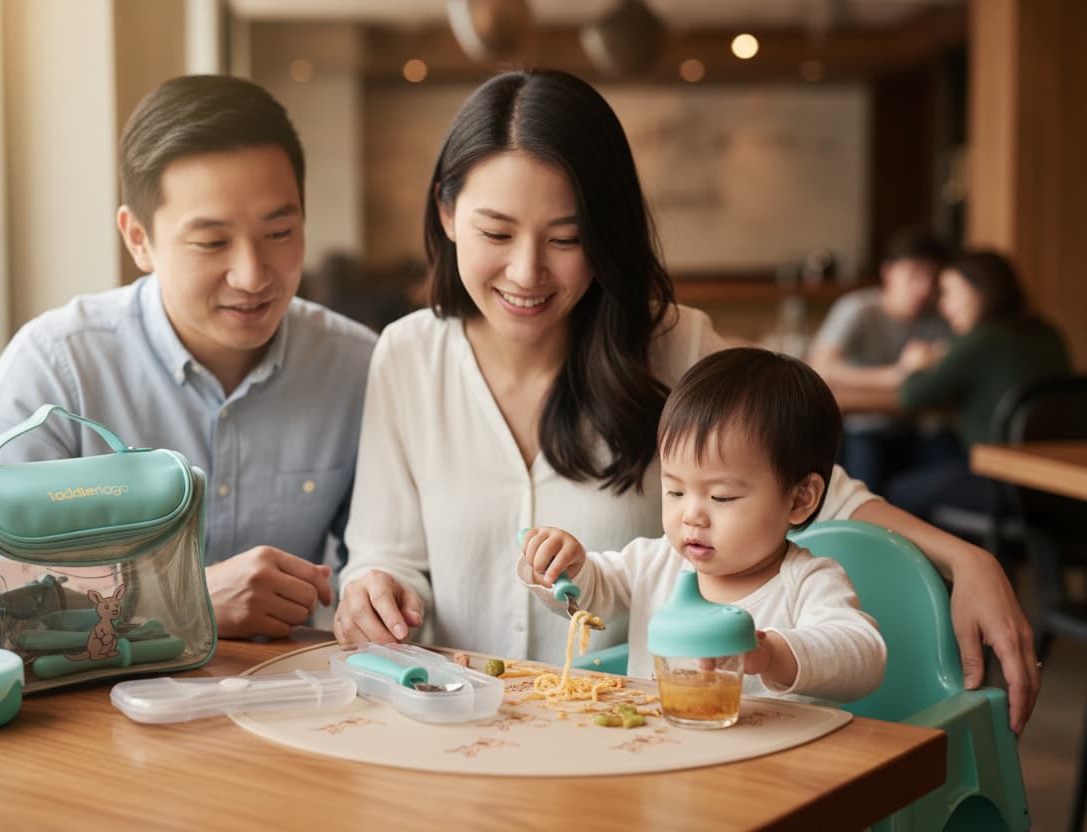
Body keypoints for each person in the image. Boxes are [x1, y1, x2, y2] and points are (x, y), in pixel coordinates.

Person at [333, 68, 1039, 733]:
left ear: (606, 235)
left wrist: (967, 559)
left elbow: (815, 488)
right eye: (495, 233)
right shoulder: (407, 355)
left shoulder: (672, 346)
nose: (526, 272)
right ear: (448, 213)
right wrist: (372, 590)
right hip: (462, 730)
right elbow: (385, 557)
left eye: (567, 239)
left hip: (632, 739)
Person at [0, 75, 377, 640]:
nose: (252, 275)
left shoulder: (357, 367)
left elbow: (381, 555)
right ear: (138, 238)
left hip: (288, 698)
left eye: (279, 231)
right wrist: (182, 597)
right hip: (91, 708)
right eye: (211, 242)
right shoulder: (58, 368)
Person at [518, 348, 887, 703]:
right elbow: (592, 591)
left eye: (722, 497)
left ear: (799, 498)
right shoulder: (655, 563)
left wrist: (772, 654)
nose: (691, 515)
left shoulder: (809, 582)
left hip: (773, 764)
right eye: (675, 491)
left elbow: (864, 656)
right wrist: (564, 566)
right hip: (658, 752)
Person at [884, 250, 1071, 519]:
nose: (943, 306)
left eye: (949, 293)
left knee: (895, 491)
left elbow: (911, 397)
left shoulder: (980, 340)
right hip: (1052, 483)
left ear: (979, 291)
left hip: (1000, 484)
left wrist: (916, 364)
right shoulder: (1050, 334)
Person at [807, 229, 958, 494]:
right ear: (888, 272)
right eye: (915, 275)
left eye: (933, 278)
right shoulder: (859, 309)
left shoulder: (941, 317)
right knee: (866, 493)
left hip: (920, 429)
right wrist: (896, 374)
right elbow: (820, 366)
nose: (924, 287)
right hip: (867, 428)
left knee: (954, 470)